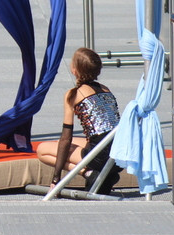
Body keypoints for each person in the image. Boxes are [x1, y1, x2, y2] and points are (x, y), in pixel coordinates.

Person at [36, 47, 123, 195]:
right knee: (58, 144)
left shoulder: (73, 94)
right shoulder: (105, 89)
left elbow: (66, 138)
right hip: (119, 153)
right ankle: (108, 175)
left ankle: (88, 173)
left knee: (43, 150)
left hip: (100, 156)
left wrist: (56, 180)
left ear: (75, 70)